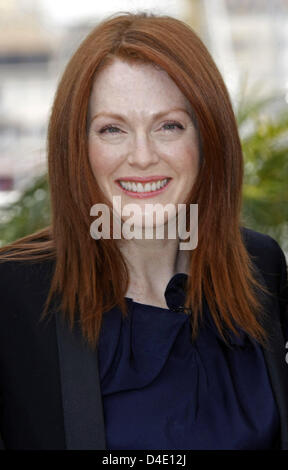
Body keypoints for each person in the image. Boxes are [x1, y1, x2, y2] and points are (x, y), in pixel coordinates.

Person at [0, 12, 287, 451]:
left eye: (168, 125)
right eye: (112, 129)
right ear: (77, 146)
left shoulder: (261, 267)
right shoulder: (12, 294)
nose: (142, 156)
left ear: (208, 139)